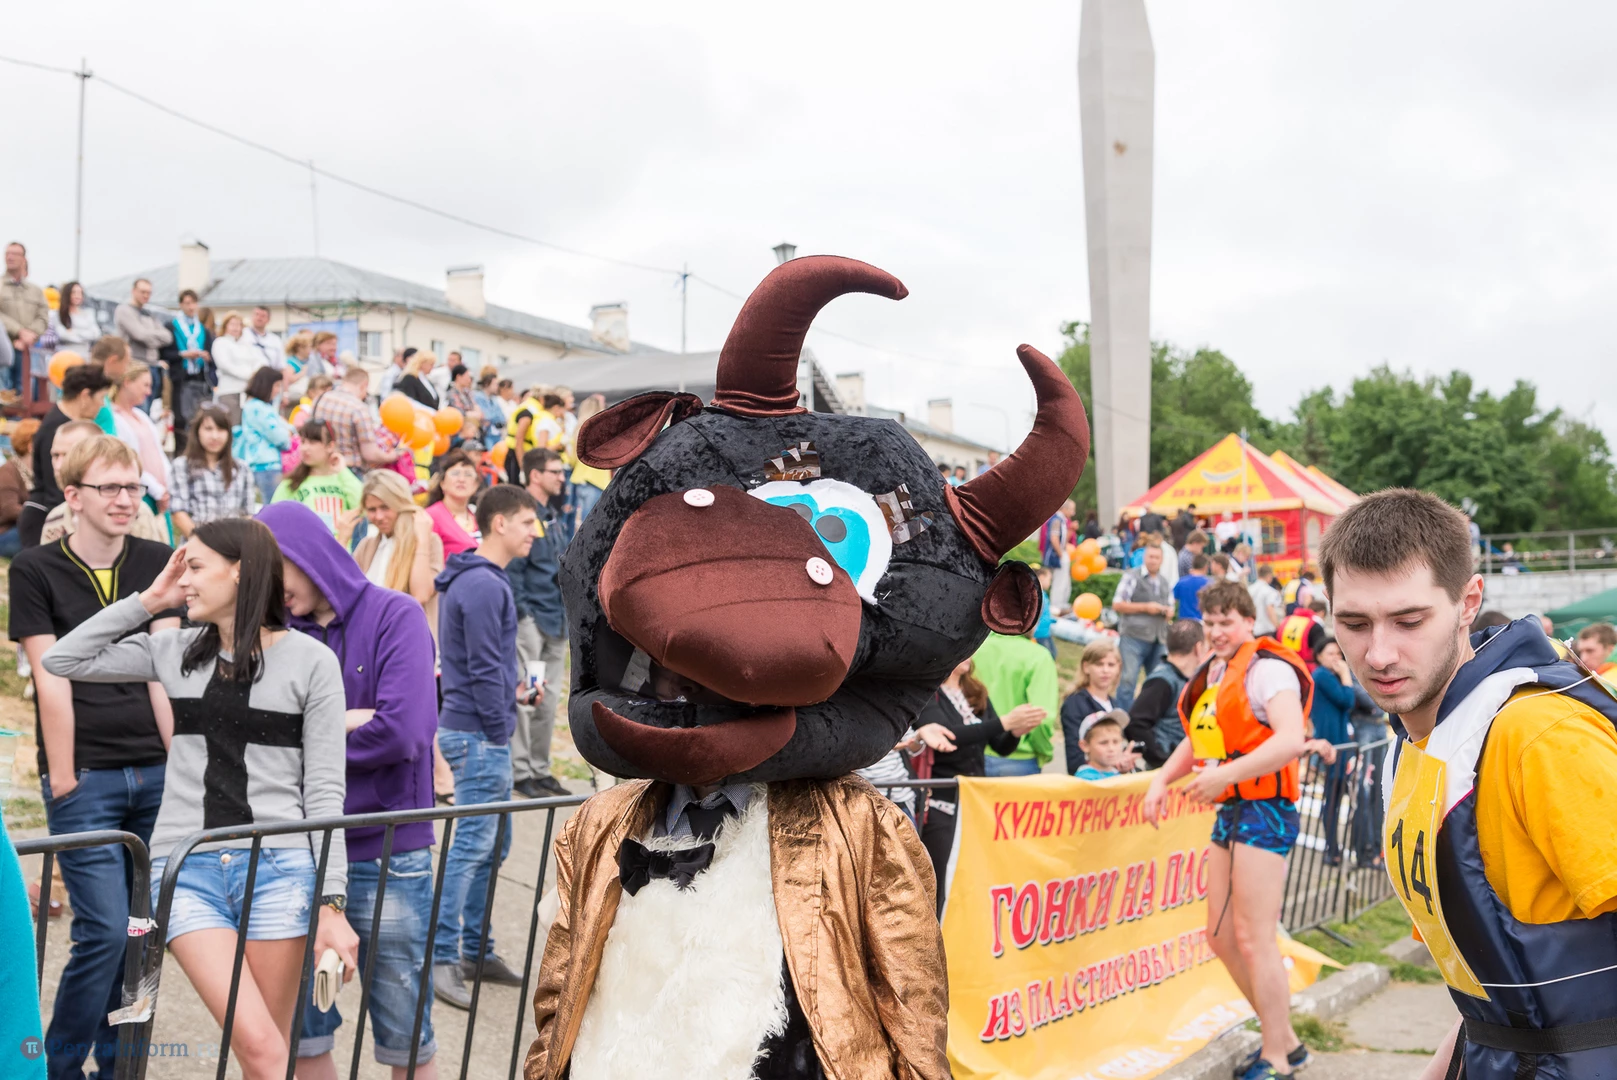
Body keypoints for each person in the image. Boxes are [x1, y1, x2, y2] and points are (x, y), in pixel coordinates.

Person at [43, 517, 358, 1080]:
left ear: (240, 571)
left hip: (280, 869)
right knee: (261, 1047)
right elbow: (63, 659)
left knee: (264, 1054)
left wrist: (332, 901)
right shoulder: (173, 649)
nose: (183, 580)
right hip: (186, 869)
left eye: (194, 567)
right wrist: (148, 600)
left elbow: (325, 791)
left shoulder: (313, 661)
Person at [1322, 490, 1617, 1080]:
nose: (1378, 654)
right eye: (1353, 624)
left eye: (1409, 621)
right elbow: (1495, 983)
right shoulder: (1421, 744)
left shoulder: (1540, 735)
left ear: (1468, 602)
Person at [8, 435, 180, 1080]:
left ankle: (118, 1069)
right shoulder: (35, 568)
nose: (125, 500)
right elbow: (50, 675)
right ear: (74, 496)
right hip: (86, 774)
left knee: (141, 938)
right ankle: (55, 1067)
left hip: (155, 771)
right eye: (109, 487)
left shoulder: (157, 561)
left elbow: (166, 673)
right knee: (104, 931)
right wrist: (62, 775)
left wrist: (180, 765)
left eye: (133, 487)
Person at [259, 501, 443, 1078]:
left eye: (274, 571)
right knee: (303, 1032)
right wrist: (343, 723)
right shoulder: (276, 631)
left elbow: (405, 733)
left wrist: (304, 740)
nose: (269, 589)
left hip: (387, 851)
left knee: (406, 1035)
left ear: (307, 555)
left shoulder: (395, 614)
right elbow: (259, 740)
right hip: (300, 854)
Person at [1143, 581, 1331, 1080]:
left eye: (1226, 622)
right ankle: (1285, 1042)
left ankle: (1277, 1056)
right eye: (1210, 623)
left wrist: (1224, 775)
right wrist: (1161, 780)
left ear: (1249, 621)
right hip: (1232, 808)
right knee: (1220, 935)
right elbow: (1198, 738)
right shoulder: (1215, 672)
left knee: (1255, 937)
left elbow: (1290, 739)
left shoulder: (1268, 669)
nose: (1217, 631)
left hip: (1266, 807)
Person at [432, 484, 540, 1008]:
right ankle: (442, 956)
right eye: (527, 522)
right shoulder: (481, 584)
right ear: (500, 523)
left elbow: (487, 664)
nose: (534, 532)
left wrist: (512, 693)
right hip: (478, 735)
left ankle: (476, 951)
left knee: (490, 846)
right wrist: (499, 726)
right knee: (472, 847)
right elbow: (480, 667)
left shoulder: (482, 580)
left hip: (480, 729)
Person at [910, 658, 1040, 905]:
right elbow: (948, 736)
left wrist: (1015, 731)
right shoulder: (927, 692)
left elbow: (1000, 746)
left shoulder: (975, 691)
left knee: (972, 879)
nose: (969, 654)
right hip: (940, 802)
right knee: (939, 882)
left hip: (975, 802)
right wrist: (1004, 723)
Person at [507, 449, 571, 799]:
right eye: (555, 471)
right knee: (529, 697)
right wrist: (524, 616)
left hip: (556, 621)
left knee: (548, 701)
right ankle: (520, 772)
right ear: (535, 475)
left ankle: (540, 770)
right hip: (533, 621)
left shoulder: (551, 515)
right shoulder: (522, 513)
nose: (562, 478)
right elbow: (514, 569)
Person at [38, 420, 170, 548]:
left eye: (70, 454)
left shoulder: (137, 515)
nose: (59, 465)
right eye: (56, 455)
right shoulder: (56, 518)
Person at [20, 364, 112, 547]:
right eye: (101, 397)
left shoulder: (66, 424)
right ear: (85, 395)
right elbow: (56, 488)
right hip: (46, 519)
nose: (102, 405)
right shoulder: (56, 430)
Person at [1124, 618, 1211, 768]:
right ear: (1198, 648)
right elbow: (1136, 723)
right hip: (1165, 766)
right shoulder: (1162, 681)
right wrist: (1160, 757)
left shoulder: (1187, 679)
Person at [975, 627, 1058, 776]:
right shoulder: (1039, 657)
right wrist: (1044, 752)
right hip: (1018, 757)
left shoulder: (975, 648)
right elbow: (1041, 718)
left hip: (971, 750)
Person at [272, 421, 364, 542]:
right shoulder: (291, 483)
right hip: (303, 551)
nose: (305, 448)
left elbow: (363, 508)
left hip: (339, 549)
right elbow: (273, 519)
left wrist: (343, 471)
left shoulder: (343, 479)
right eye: (303, 442)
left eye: (313, 442)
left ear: (330, 446)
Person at [170, 407, 254, 537]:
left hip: (233, 544)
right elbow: (178, 513)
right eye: (208, 429)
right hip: (196, 542)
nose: (215, 436)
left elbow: (248, 514)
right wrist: (200, 542)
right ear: (197, 432)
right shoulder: (182, 466)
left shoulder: (242, 468)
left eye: (220, 429)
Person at [1310, 637, 1356, 865]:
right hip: (1331, 745)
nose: (1336, 658)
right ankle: (1332, 849)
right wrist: (1346, 676)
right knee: (1332, 798)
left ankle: (1334, 848)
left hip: (1338, 743)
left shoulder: (1329, 676)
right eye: (1330, 653)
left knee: (1335, 797)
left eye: (1338, 654)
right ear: (1319, 656)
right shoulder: (1322, 675)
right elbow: (1347, 700)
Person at [1112, 539, 1173, 711]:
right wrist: (1146, 607)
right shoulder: (1132, 576)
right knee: (1128, 680)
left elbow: (1170, 606)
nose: (1153, 560)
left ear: (1161, 560)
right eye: (1150, 556)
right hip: (1133, 636)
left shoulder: (1164, 581)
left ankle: (1146, 717)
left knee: (1157, 682)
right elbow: (1117, 604)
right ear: (1145, 557)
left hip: (1158, 638)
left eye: (1156, 557)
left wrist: (1168, 611)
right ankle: (1123, 717)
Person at [107, 361, 172, 513]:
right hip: (142, 494)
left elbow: (159, 453)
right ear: (127, 382)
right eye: (145, 385)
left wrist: (167, 487)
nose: (149, 392)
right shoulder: (114, 419)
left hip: (161, 494)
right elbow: (129, 460)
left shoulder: (141, 415)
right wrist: (156, 490)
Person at [315, 367, 403, 474]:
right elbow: (370, 454)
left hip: (321, 466)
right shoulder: (359, 409)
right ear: (363, 385)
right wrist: (392, 456)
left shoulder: (320, 399)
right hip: (348, 471)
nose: (365, 395)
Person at [159, 288, 214, 451]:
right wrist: (182, 355)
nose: (191, 307)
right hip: (181, 379)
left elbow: (211, 353)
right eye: (187, 303)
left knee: (199, 417)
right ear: (181, 305)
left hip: (199, 379)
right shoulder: (172, 327)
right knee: (181, 418)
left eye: (193, 303)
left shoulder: (202, 329)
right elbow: (164, 353)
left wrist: (206, 356)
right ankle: (181, 452)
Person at [1060, 638, 1122, 775]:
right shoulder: (1074, 703)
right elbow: (1074, 756)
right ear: (1086, 667)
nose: (1105, 670)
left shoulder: (1114, 704)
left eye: (1111, 665)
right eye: (1099, 664)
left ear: (1118, 667)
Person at [237, 366, 294, 505]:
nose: (278, 390)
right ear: (266, 385)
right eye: (276, 386)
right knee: (274, 506)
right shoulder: (258, 408)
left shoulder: (258, 407)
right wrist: (288, 435)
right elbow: (280, 436)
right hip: (266, 465)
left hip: (263, 464)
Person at [1, 242, 48, 394]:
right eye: (7, 253)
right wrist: (19, 332)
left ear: (24, 259)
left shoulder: (35, 290)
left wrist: (29, 336)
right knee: (4, 393)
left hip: (28, 349)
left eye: (14, 254)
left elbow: (43, 317)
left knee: (27, 393)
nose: (10, 257)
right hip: (3, 349)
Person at [112, 277, 173, 385]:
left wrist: (148, 336)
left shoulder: (148, 314)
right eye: (143, 292)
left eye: (149, 293)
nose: (146, 295)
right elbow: (140, 335)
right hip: (134, 366)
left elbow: (168, 337)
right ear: (133, 291)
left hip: (152, 366)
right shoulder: (124, 310)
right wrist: (154, 338)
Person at [426, 449, 482, 557]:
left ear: (476, 485)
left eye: (468, 474)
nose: (461, 479)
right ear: (442, 483)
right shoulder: (430, 517)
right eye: (455, 474)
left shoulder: (480, 515)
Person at [46, 281, 105, 381]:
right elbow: (63, 335)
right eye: (74, 292)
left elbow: (96, 334)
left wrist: (74, 332)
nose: (78, 296)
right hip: (64, 360)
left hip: (85, 359)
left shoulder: (88, 314)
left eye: (80, 293)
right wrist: (85, 333)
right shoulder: (57, 314)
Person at [210, 311, 259, 424]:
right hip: (228, 392)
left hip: (246, 393)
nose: (236, 328)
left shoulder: (245, 345)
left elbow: (256, 361)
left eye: (239, 324)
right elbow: (225, 365)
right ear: (225, 325)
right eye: (232, 324)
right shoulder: (220, 342)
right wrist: (248, 375)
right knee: (232, 424)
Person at [0, 418, 38, 556]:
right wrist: (39, 514)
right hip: (6, 533)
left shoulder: (36, 472)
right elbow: (9, 510)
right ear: (31, 446)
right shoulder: (7, 471)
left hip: (23, 527)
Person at [501, 385, 547, 485]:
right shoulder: (527, 412)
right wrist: (522, 468)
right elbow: (519, 439)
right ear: (541, 398)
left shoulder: (533, 409)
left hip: (524, 454)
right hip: (516, 456)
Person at [1074, 711, 1137, 779]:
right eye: (1103, 743)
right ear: (1085, 746)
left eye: (1116, 742)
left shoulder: (1115, 772)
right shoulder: (1085, 778)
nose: (1111, 748)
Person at [1041, 499, 1074, 615]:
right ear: (1064, 509)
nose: (1073, 513)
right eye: (1071, 509)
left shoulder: (1061, 521)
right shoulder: (1056, 520)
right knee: (1059, 582)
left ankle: (1060, 605)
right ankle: (1056, 607)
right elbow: (1054, 538)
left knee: (1064, 582)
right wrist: (1061, 554)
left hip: (1060, 554)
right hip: (1056, 556)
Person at [1277, 598, 1328, 669]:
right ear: (1322, 613)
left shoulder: (1288, 620)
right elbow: (1320, 650)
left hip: (1284, 663)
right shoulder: (1316, 626)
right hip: (1304, 667)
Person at [242, 305, 284, 372]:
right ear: (251, 316)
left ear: (268, 320)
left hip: (270, 375)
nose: (259, 318)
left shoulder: (275, 340)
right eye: (257, 314)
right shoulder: (242, 335)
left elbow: (281, 365)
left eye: (263, 316)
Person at [1173, 553, 1212, 622]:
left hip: (1184, 621)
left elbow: (1172, 601)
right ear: (1206, 567)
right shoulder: (1210, 583)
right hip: (1202, 621)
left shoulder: (1181, 582)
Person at [1249, 563, 1284, 637]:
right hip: (1267, 629)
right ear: (1269, 576)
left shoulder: (1249, 589)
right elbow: (1270, 609)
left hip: (1253, 629)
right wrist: (1277, 626)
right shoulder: (1270, 591)